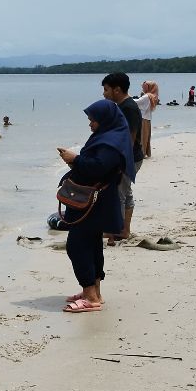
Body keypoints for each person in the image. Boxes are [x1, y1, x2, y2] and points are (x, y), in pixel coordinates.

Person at [55, 99, 136, 313]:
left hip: (94, 201)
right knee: (91, 243)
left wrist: (75, 158)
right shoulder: (111, 135)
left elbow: (98, 167)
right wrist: (74, 161)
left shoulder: (111, 141)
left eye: (93, 120)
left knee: (77, 245)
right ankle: (94, 292)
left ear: (104, 120)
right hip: (97, 199)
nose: (90, 124)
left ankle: (90, 296)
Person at [101, 73, 144, 242]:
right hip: (128, 157)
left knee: (118, 194)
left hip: (129, 158)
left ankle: (115, 231)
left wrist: (119, 162)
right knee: (126, 192)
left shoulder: (129, 108)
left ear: (117, 90)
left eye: (106, 90)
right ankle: (124, 230)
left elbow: (130, 139)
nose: (104, 94)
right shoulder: (121, 105)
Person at [134, 81, 159, 158]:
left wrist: (126, 97)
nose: (143, 88)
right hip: (147, 118)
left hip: (143, 117)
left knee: (142, 136)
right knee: (146, 136)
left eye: (145, 87)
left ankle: (142, 153)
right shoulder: (153, 96)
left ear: (149, 87)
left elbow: (136, 102)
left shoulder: (147, 96)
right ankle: (145, 152)